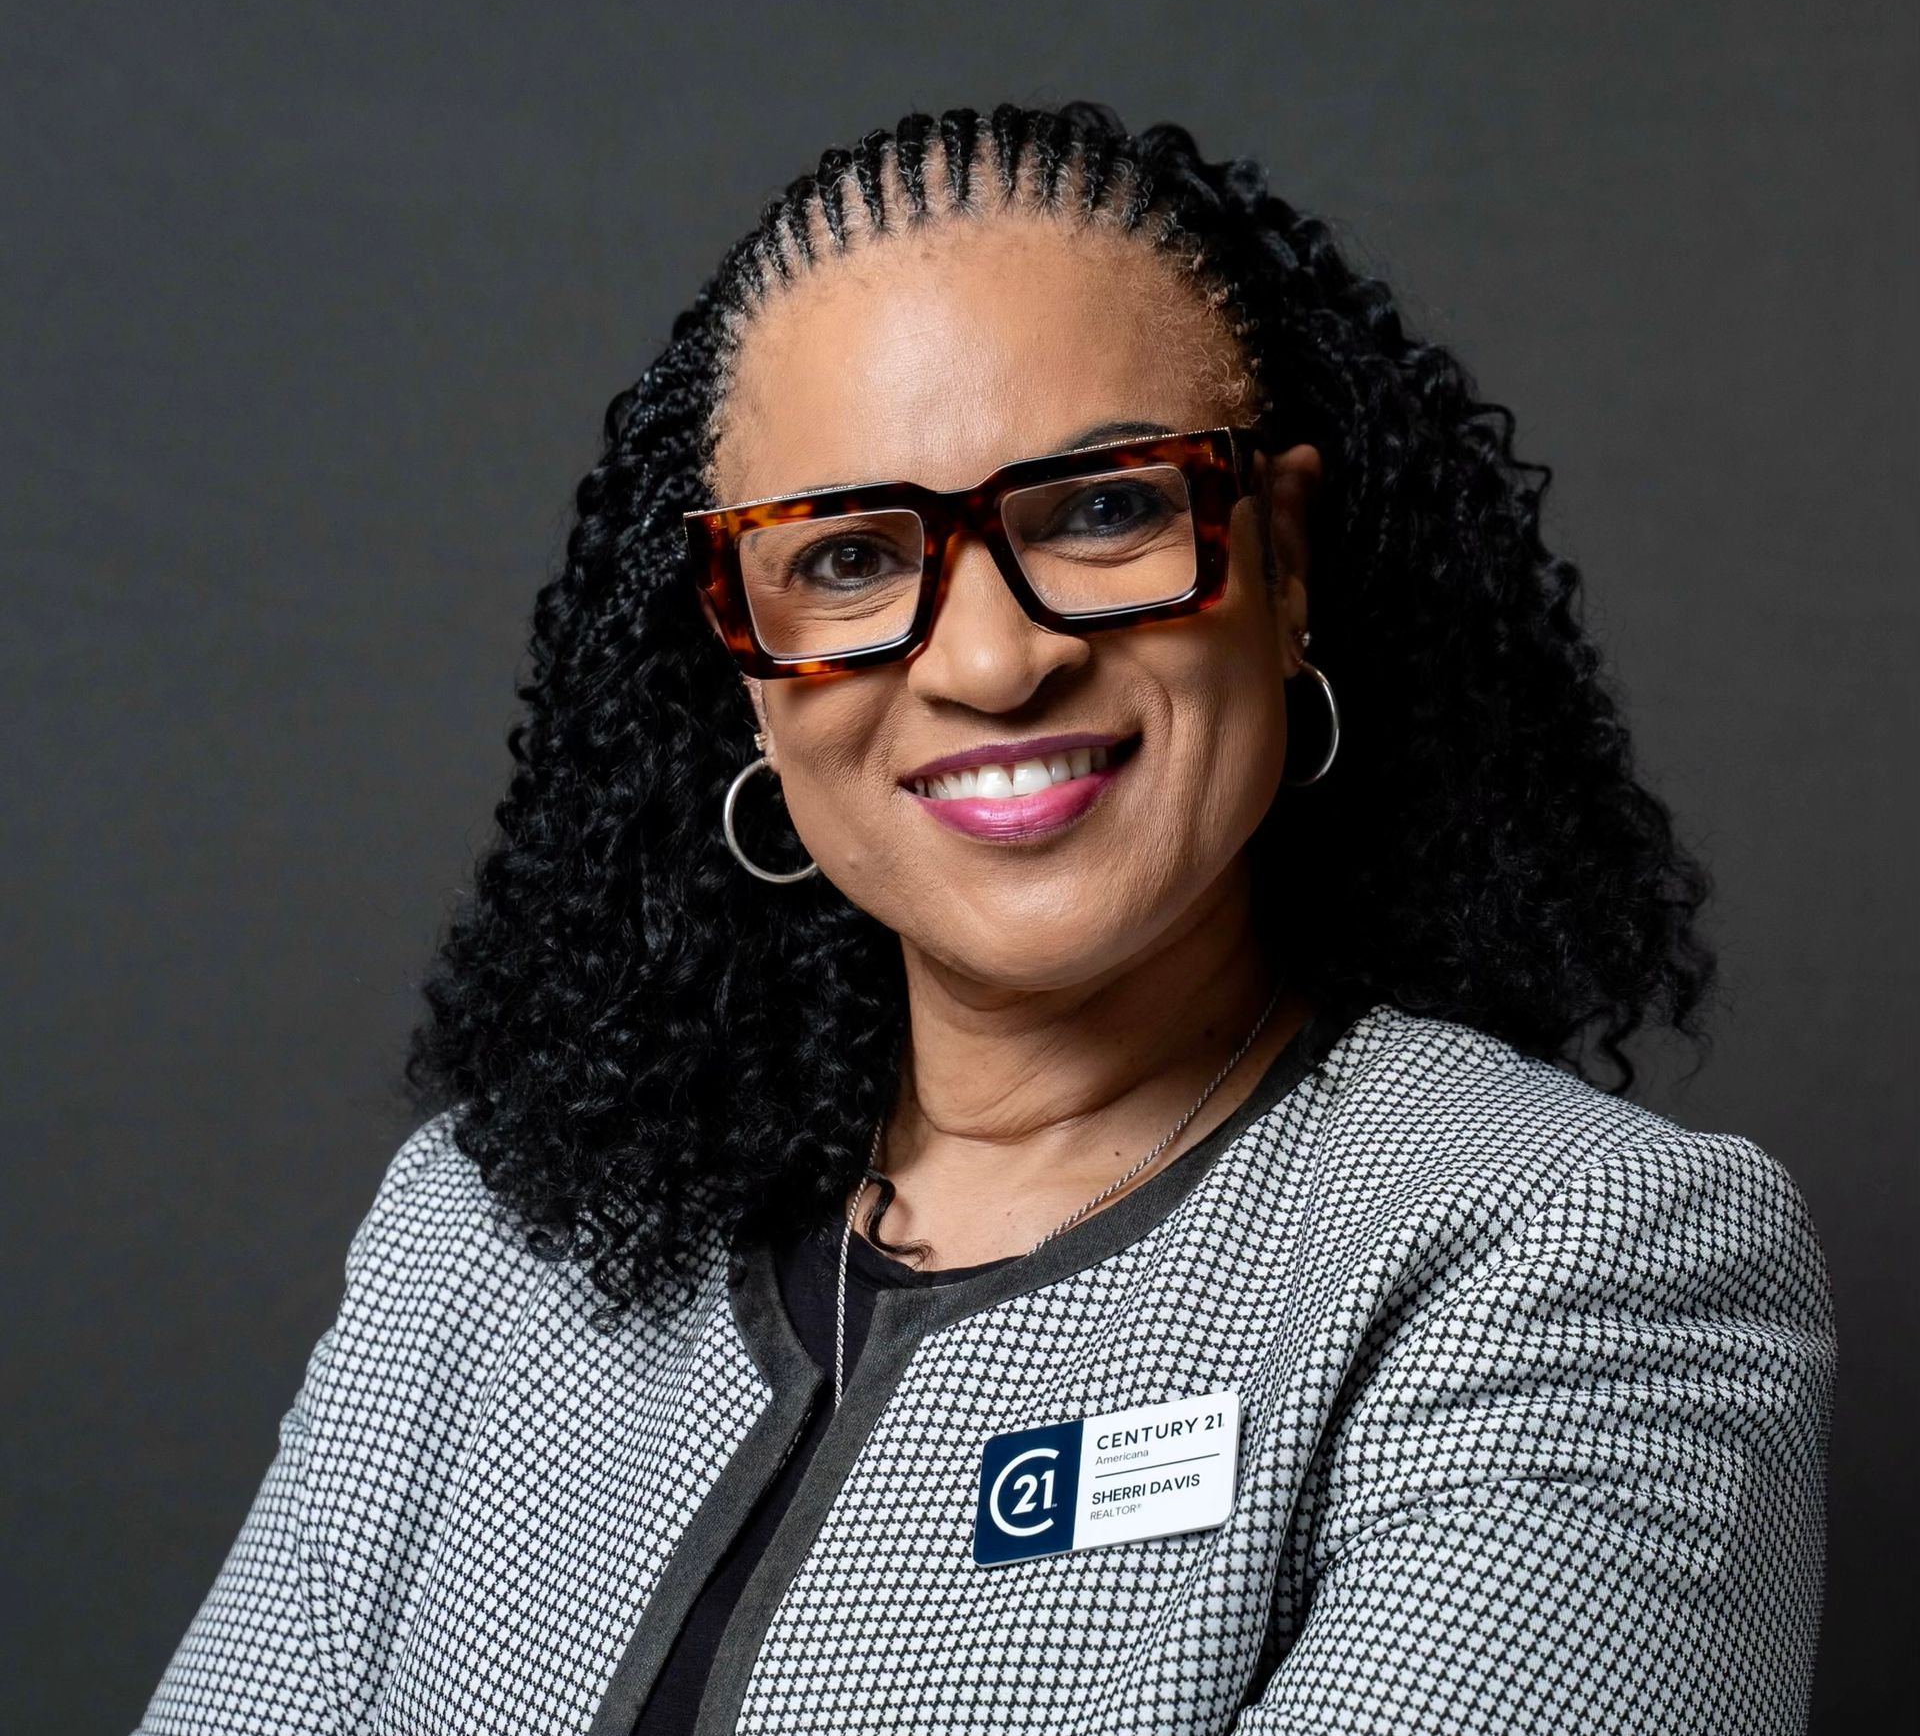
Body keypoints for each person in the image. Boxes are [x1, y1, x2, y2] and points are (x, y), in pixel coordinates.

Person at [138, 103, 1832, 1735]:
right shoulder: (481, 1239)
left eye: (1104, 511)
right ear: (745, 664)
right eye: (854, 558)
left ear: (1286, 556)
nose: (989, 658)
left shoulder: (1581, 1262)